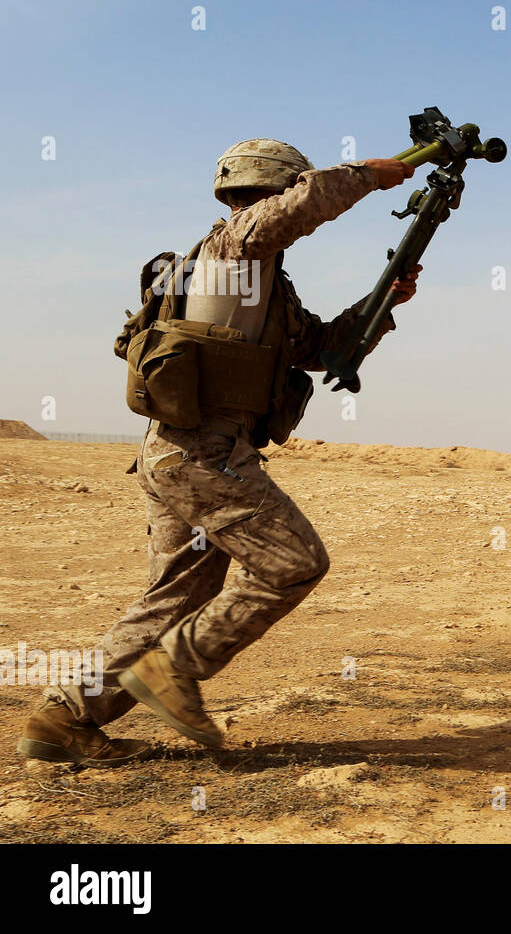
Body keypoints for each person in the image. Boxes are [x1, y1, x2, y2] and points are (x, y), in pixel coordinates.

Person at [17, 139, 419, 765]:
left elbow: (321, 351)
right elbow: (297, 208)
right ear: (262, 194)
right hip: (203, 456)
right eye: (273, 196)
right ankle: (169, 672)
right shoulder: (230, 250)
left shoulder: (260, 287)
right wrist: (367, 175)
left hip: (179, 455)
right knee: (295, 563)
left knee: (177, 595)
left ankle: (65, 717)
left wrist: (384, 302)